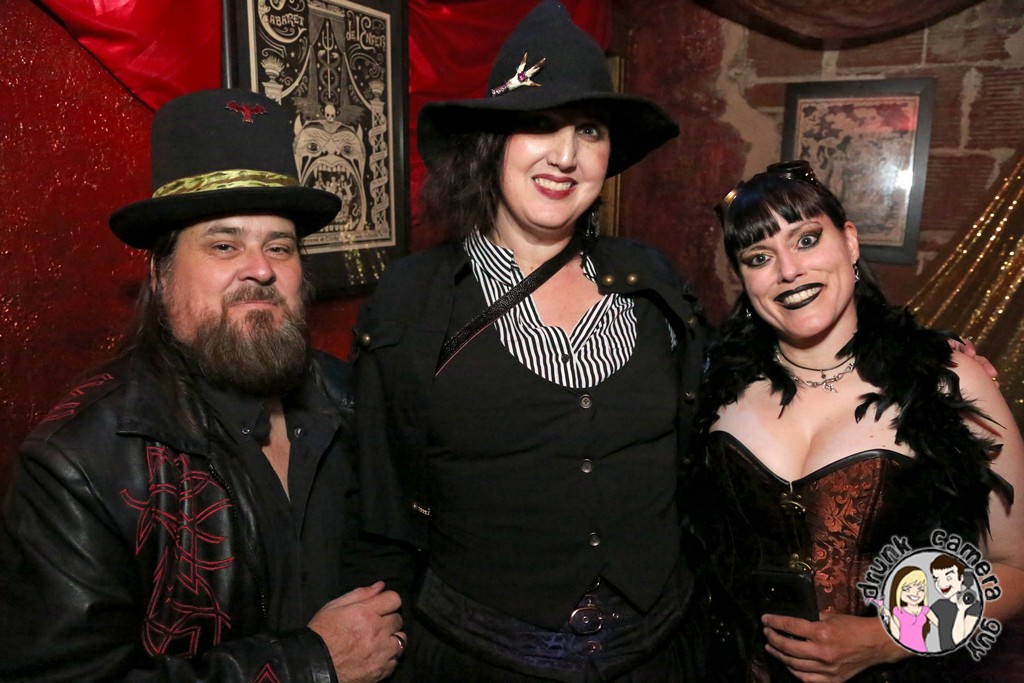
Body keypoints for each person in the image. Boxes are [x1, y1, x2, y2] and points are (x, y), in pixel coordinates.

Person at [0, 88, 411, 682]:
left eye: (279, 247)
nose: (261, 269)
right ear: (160, 274)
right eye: (224, 245)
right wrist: (309, 664)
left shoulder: (350, 398)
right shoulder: (80, 463)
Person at [353, 1, 709, 680]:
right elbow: (378, 502)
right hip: (479, 659)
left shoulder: (655, 283)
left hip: (662, 651)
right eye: (538, 123)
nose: (565, 155)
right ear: (492, 143)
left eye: (589, 130)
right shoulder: (411, 301)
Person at [695, 159, 1024, 681]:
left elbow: (1016, 569)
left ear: (849, 242)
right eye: (759, 257)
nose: (788, 270)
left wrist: (888, 638)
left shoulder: (947, 379)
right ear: (742, 278)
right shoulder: (710, 387)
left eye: (806, 240)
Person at [930, 554, 982, 649]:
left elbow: (959, 640)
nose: (941, 584)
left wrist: (961, 610)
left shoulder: (974, 606)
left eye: (948, 578)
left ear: (961, 578)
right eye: (936, 579)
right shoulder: (939, 605)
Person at [883, 566, 937, 653]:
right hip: (901, 651)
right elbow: (896, 635)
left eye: (921, 589)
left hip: (921, 650)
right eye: (907, 589)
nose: (915, 593)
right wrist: (889, 616)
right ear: (898, 590)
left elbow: (941, 625)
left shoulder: (925, 610)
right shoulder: (897, 611)